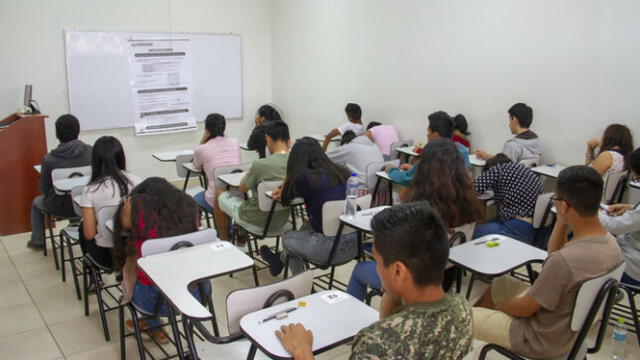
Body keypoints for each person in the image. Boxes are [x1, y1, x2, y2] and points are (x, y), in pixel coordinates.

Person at [275, 202, 473, 360]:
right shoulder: (463, 310)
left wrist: (302, 351)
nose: (376, 269)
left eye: (377, 261)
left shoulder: (377, 343)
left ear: (398, 271)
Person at [473, 166, 622, 359]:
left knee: (460, 316)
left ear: (564, 205)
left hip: (538, 338)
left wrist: (501, 307)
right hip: (568, 331)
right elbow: (554, 254)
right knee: (501, 283)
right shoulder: (611, 244)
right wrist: (562, 220)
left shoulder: (565, 261)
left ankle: (470, 329)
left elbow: (525, 309)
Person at [347, 138, 485, 301]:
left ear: (424, 167)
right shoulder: (470, 204)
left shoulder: (420, 210)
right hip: (445, 279)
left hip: (413, 283)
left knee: (360, 269)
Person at [113, 177, 210, 344]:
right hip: (198, 293)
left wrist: (128, 207)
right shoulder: (189, 204)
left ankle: (153, 325)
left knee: (132, 262)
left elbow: (123, 225)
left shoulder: (136, 208)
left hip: (154, 301)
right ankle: (153, 326)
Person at [259, 137, 355, 276]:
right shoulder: (341, 172)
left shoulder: (304, 178)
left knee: (287, 238)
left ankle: (303, 286)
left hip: (328, 250)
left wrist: (289, 177)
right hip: (353, 244)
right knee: (306, 227)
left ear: (295, 160)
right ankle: (278, 261)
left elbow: (285, 199)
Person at [217, 121, 291, 241]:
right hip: (283, 221)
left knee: (220, 193)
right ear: (289, 141)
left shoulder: (260, 165)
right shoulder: (297, 164)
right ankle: (241, 236)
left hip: (256, 221)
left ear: (267, 139)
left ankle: (225, 241)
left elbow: (242, 188)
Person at [28, 114, 92, 250]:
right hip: (85, 205)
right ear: (78, 131)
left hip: (59, 208)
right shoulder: (91, 152)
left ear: (57, 134)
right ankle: (75, 223)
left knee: (36, 202)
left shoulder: (49, 159)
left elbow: (44, 189)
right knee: (76, 192)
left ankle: (38, 241)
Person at [78, 136, 139, 268]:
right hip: (134, 251)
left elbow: (89, 234)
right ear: (121, 157)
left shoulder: (90, 190)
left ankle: (93, 280)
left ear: (95, 161)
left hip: (107, 256)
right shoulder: (136, 181)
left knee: (82, 228)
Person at [472, 153, 544, 245]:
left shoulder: (498, 169)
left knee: (471, 232)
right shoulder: (522, 170)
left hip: (517, 227)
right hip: (535, 229)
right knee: (487, 224)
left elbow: (471, 189)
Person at [385, 111, 470, 187]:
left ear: (436, 135)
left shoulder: (433, 154)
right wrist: (414, 169)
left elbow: (406, 179)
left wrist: (391, 170)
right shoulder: (462, 150)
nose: (427, 135)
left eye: (428, 131)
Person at [192, 113, 241, 235]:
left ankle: (200, 233)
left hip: (216, 197)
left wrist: (203, 139)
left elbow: (196, 166)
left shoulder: (202, 149)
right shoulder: (235, 142)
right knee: (224, 194)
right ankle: (232, 232)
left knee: (194, 199)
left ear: (207, 129)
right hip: (238, 194)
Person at [600, 147, 640, 286]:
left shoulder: (605, 155)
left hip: (632, 268)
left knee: (585, 258)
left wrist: (591, 210)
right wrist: (631, 208)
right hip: (632, 253)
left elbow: (614, 227)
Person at [475, 103, 540, 163]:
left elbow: (504, 167)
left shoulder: (512, 145)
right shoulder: (534, 140)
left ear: (514, 119)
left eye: (509, 120)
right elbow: (508, 159)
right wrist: (488, 156)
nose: (509, 125)